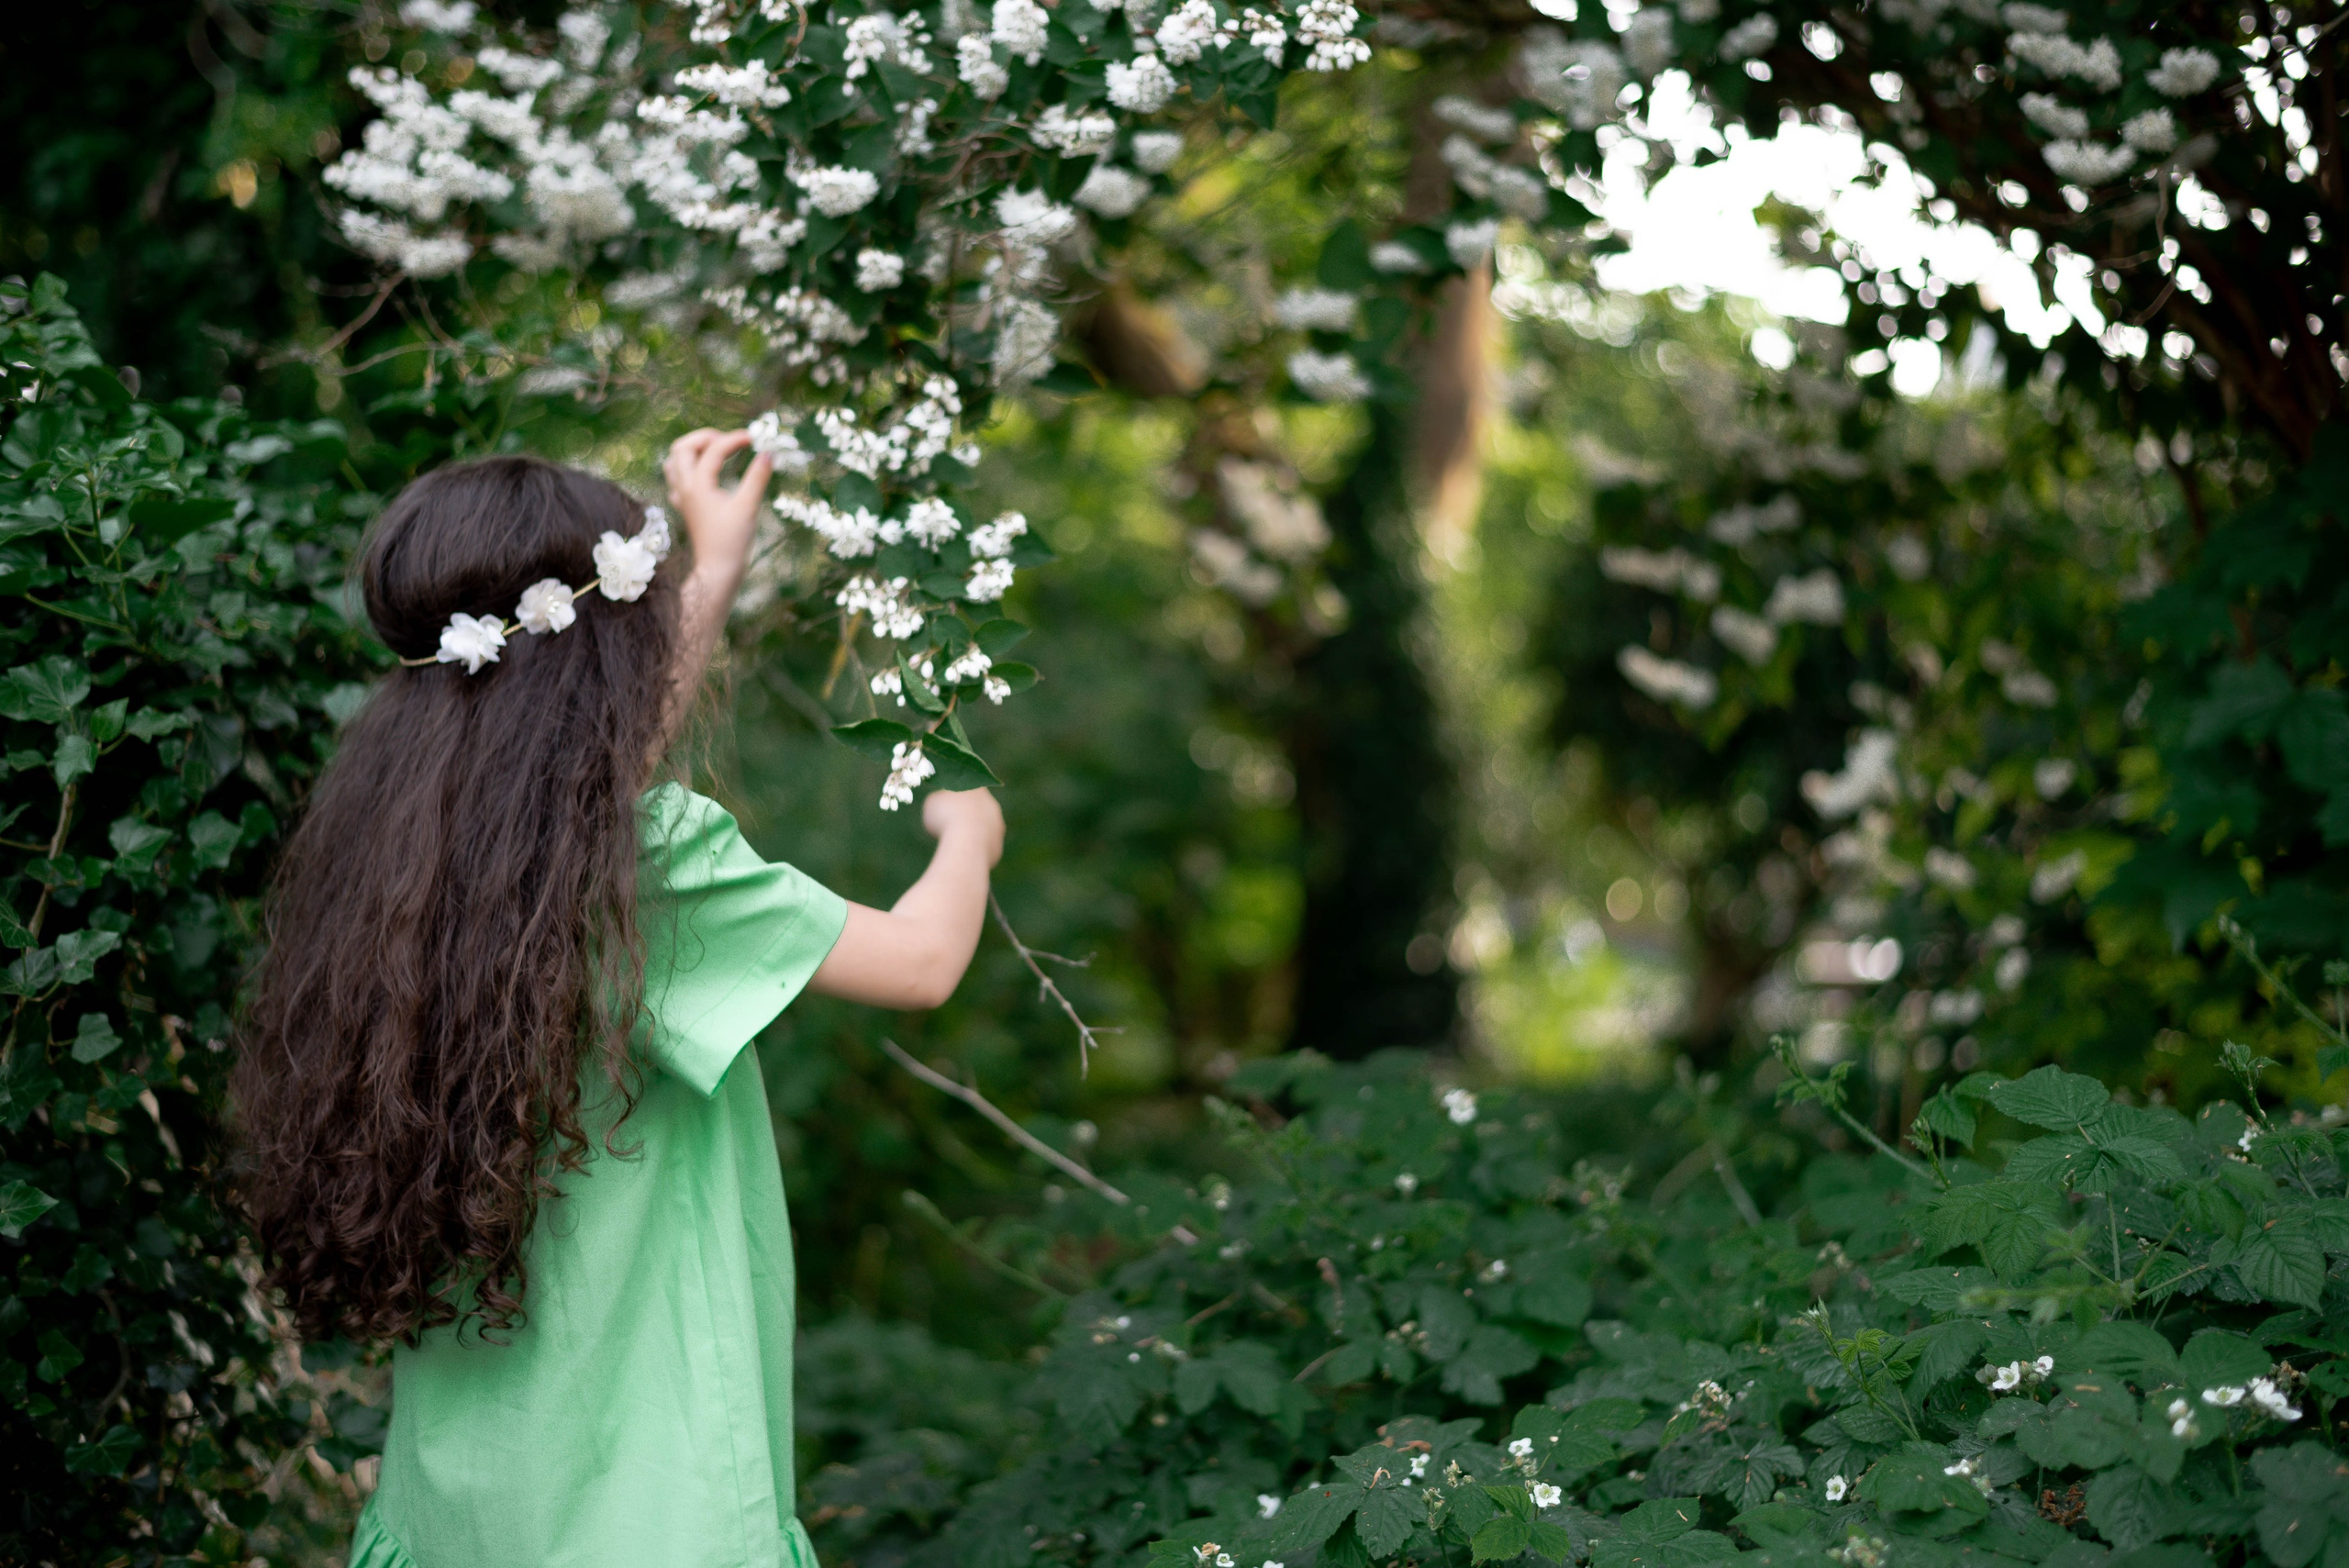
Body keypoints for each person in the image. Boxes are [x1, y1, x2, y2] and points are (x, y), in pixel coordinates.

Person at [231, 430, 1005, 1568]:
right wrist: (967, 837)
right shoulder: (645, 860)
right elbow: (922, 962)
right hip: (646, 1508)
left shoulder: (399, 849)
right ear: (608, 658)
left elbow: (586, 761)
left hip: (465, 1504)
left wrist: (716, 561)